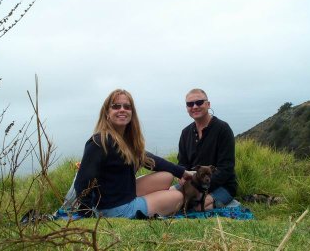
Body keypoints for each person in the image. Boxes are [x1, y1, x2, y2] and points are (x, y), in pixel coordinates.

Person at [74, 89, 191, 218]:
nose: (122, 109)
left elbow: (151, 160)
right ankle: (154, 201)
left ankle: (156, 198)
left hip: (121, 194)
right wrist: (86, 215)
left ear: (132, 113)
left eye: (127, 107)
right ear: (107, 112)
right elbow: (82, 182)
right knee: (177, 197)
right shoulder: (99, 142)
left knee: (167, 176)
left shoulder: (124, 141)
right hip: (114, 209)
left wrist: (182, 172)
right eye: (116, 106)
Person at [175, 88, 238, 210]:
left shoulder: (223, 129)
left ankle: (228, 203)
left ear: (208, 105)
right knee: (172, 200)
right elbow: (182, 163)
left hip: (222, 185)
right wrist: (182, 177)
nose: (194, 106)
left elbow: (226, 168)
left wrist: (201, 188)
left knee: (197, 207)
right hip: (194, 184)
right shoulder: (186, 133)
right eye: (190, 104)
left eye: (199, 102)